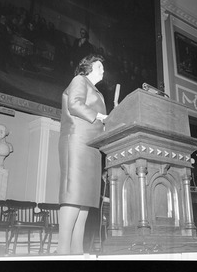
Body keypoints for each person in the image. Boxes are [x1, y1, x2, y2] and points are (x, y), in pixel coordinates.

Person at [57, 54, 107, 255]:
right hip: (76, 141)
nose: (103, 69)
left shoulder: (98, 93)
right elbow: (75, 104)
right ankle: (62, 250)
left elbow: (100, 121)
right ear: (87, 67)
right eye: (99, 66)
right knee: (74, 194)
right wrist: (99, 116)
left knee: (84, 199)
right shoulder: (79, 80)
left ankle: (77, 251)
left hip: (92, 147)